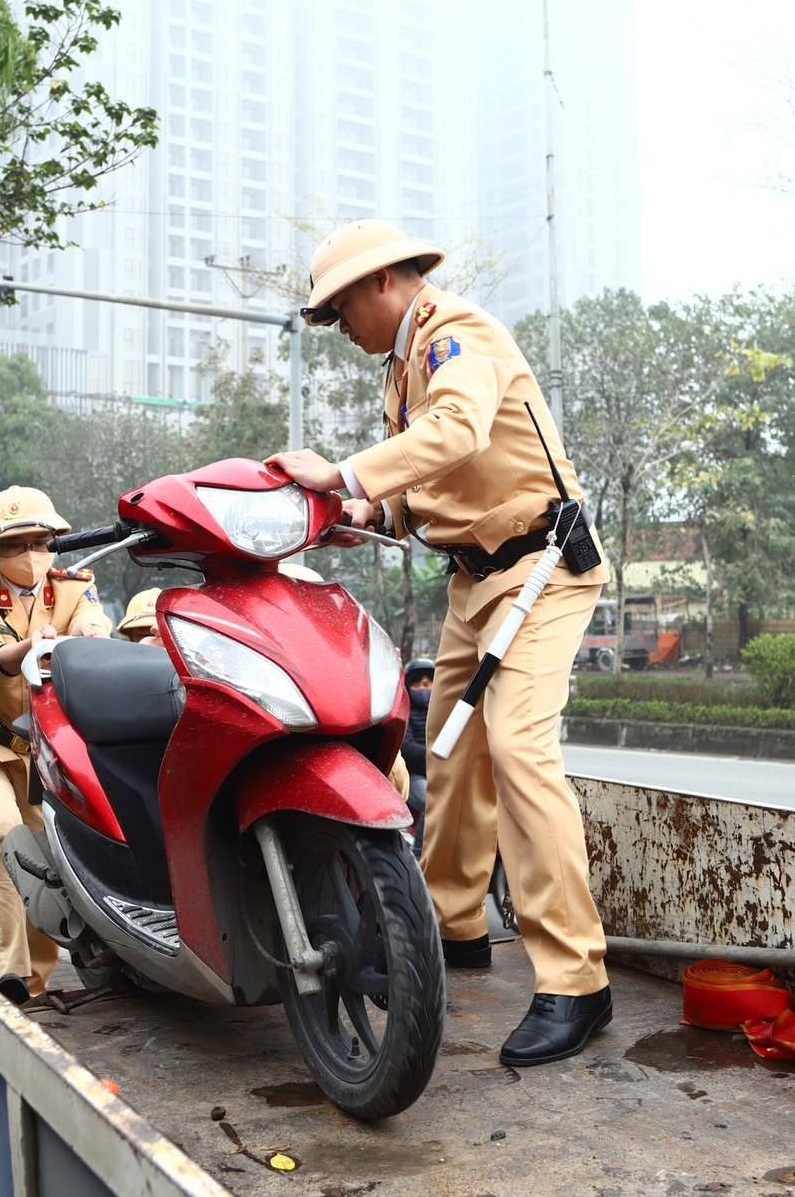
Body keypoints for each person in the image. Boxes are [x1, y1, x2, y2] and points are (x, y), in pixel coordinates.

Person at [267, 218, 613, 1068]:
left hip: (537, 569)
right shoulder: (401, 374)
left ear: (383, 283)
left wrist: (345, 473)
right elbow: (432, 485)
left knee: (519, 749)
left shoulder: (456, 335)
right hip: (474, 583)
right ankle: (454, 928)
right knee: (451, 757)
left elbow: (457, 431)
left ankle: (577, 980)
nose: (339, 325)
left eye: (340, 306)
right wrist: (369, 514)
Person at [0, 487, 111, 1005]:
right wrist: (29, 646)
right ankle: (10, 974)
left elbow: (94, 628)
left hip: (46, 754)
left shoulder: (76, 586)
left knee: (43, 860)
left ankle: (35, 983)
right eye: (17, 545)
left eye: (41, 542)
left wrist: (84, 632)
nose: (32, 554)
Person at [401, 656, 435, 851]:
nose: (424, 688)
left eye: (429, 683)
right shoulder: (404, 712)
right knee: (433, 801)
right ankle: (420, 855)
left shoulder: (447, 710)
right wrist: (435, 756)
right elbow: (406, 748)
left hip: (443, 773)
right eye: (418, 684)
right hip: (416, 776)